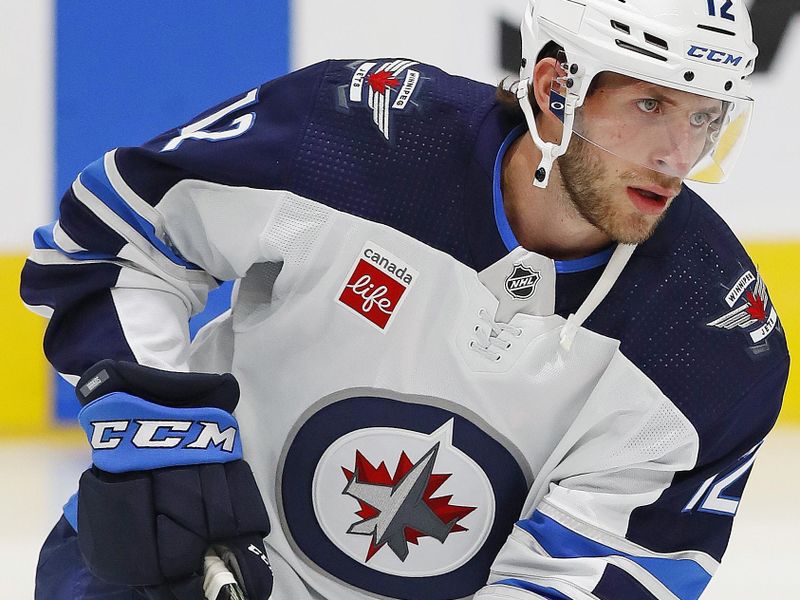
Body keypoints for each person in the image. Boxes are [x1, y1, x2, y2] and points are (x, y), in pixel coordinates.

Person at [22, 0, 789, 598]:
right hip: (170, 573)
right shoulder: (353, 136)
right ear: (558, 87)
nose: (676, 156)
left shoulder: (714, 343)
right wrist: (159, 435)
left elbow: (587, 580)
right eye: (650, 106)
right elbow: (113, 241)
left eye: (703, 117)